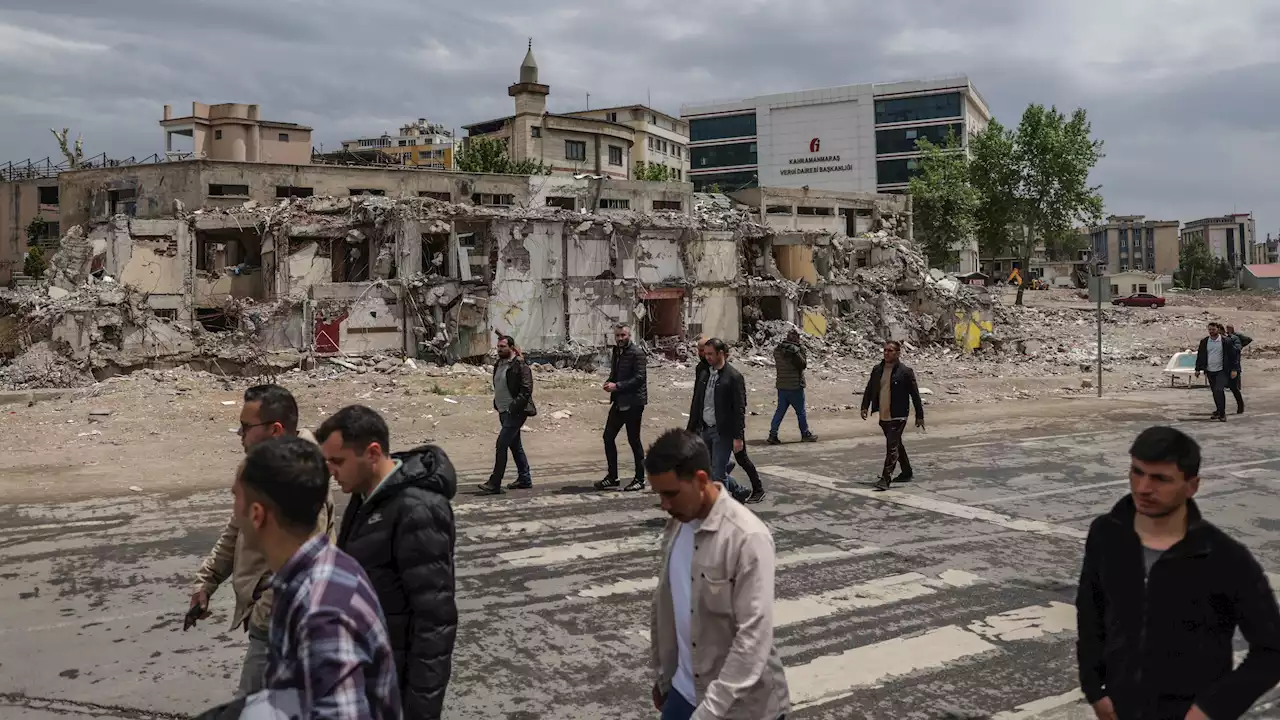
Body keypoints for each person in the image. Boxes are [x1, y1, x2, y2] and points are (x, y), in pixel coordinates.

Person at [1076, 426, 1280, 720]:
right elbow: (1091, 614)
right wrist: (1095, 691)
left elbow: (1272, 649)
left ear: (1191, 486)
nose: (1143, 488)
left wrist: (1210, 710)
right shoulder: (1106, 534)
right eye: (1137, 472)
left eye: (1160, 479)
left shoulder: (1224, 557)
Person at [187, 384, 336, 698]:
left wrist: (264, 615)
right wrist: (207, 580)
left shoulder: (303, 478)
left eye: (246, 427)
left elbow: (307, 564)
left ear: (276, 430)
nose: (240, 434)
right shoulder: (257, 466)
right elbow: (236, 527)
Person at [318, 405, 457, 720]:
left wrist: (421, 711)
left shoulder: (416, 510)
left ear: (372, 453)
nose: (330, 471)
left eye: (337, 461)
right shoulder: (365, 497)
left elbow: (435, 622)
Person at [646, 429, 790, 720]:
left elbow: (753, 639)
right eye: (659, 494)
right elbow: (668, 605)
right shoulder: (677, 524)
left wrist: (707, 713)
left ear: (700, 480)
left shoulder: (746, 537)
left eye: (670, 493)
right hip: (685, 693)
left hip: (742, 708)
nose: (664, 505)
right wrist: (665, 676)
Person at [686, 338, 751, 504]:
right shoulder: (705, 374)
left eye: (710, 354)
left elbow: (739, 409)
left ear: (721, 354)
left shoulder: (733, 377)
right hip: (705, 429)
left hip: (723, 432)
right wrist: (690, 430)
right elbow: (697, 403)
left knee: (718, 474)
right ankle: (737, 490)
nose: (707, 357)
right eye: (705, 354)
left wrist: (738, 437)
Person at [859, 341, 924, 492]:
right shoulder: (877, 370)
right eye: (885, 350)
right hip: (883, 413)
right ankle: (906, 472)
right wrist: (864, 406)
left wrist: (919, 415)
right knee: (896, 445)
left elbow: (915, 395)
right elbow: (870, 389)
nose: (887, 353)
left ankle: (885, 479)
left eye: (890, 350)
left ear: (898, 353)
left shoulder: (905, 372)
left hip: (899, 415)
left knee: (892, 447)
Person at [479, 334, 537, 493]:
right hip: (503, 411)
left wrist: (513, 407)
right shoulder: (499, 364)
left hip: (515, 412)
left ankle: (494, 483)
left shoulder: (520, 365)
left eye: (503, 347)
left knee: (501, 445)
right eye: (498, 347)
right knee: (515, 446)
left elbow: (526, 390)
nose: (499, 349)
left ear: (511, 347)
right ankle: (524, 479)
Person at [596, 323, 648, 492]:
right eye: (617, 335)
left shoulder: (637, 353)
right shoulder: (616, 351)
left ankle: (640, 479)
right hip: (619, 402)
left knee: (634, 441)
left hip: (633, 403)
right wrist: (609, 382)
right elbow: (615, 373)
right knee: (608, 437)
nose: (620, 339)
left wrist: (617, 386)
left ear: (629, 335)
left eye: (623, 336)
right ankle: (613, 477)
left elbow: (639, 378)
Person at [768, 329, 817, 446]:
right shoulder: (797, 351)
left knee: (779, 412)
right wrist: (799, 351)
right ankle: (805, 434)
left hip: (781, 386)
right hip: (795, 387)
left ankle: (772, 435)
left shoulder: (777, 350)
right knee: (800, 412)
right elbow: (803, 365)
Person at [1194, 322, 1239, 422]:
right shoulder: (1205, 341)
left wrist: (1234, 369)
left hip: (1222, 370)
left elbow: (1233, 356)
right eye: (1209, 329)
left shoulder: (1226, 341)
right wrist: (1197, 369)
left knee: (1219, 390)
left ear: (1218, 329)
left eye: (1213, 329)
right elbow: (1200, 355)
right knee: (1215, 392)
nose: (1211, 331)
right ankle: (1219, 410)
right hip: (1210, 371)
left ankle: (1222, 414)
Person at [1225, 323, 1251, 414]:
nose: (1227, 329)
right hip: (1227, 365)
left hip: (1235, 363)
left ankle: (1240, 406)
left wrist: (1241, 345)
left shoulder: (1236, 337)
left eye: (1229, 328)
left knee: (1235, 387)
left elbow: (1248, 340)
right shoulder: (1227, 337)